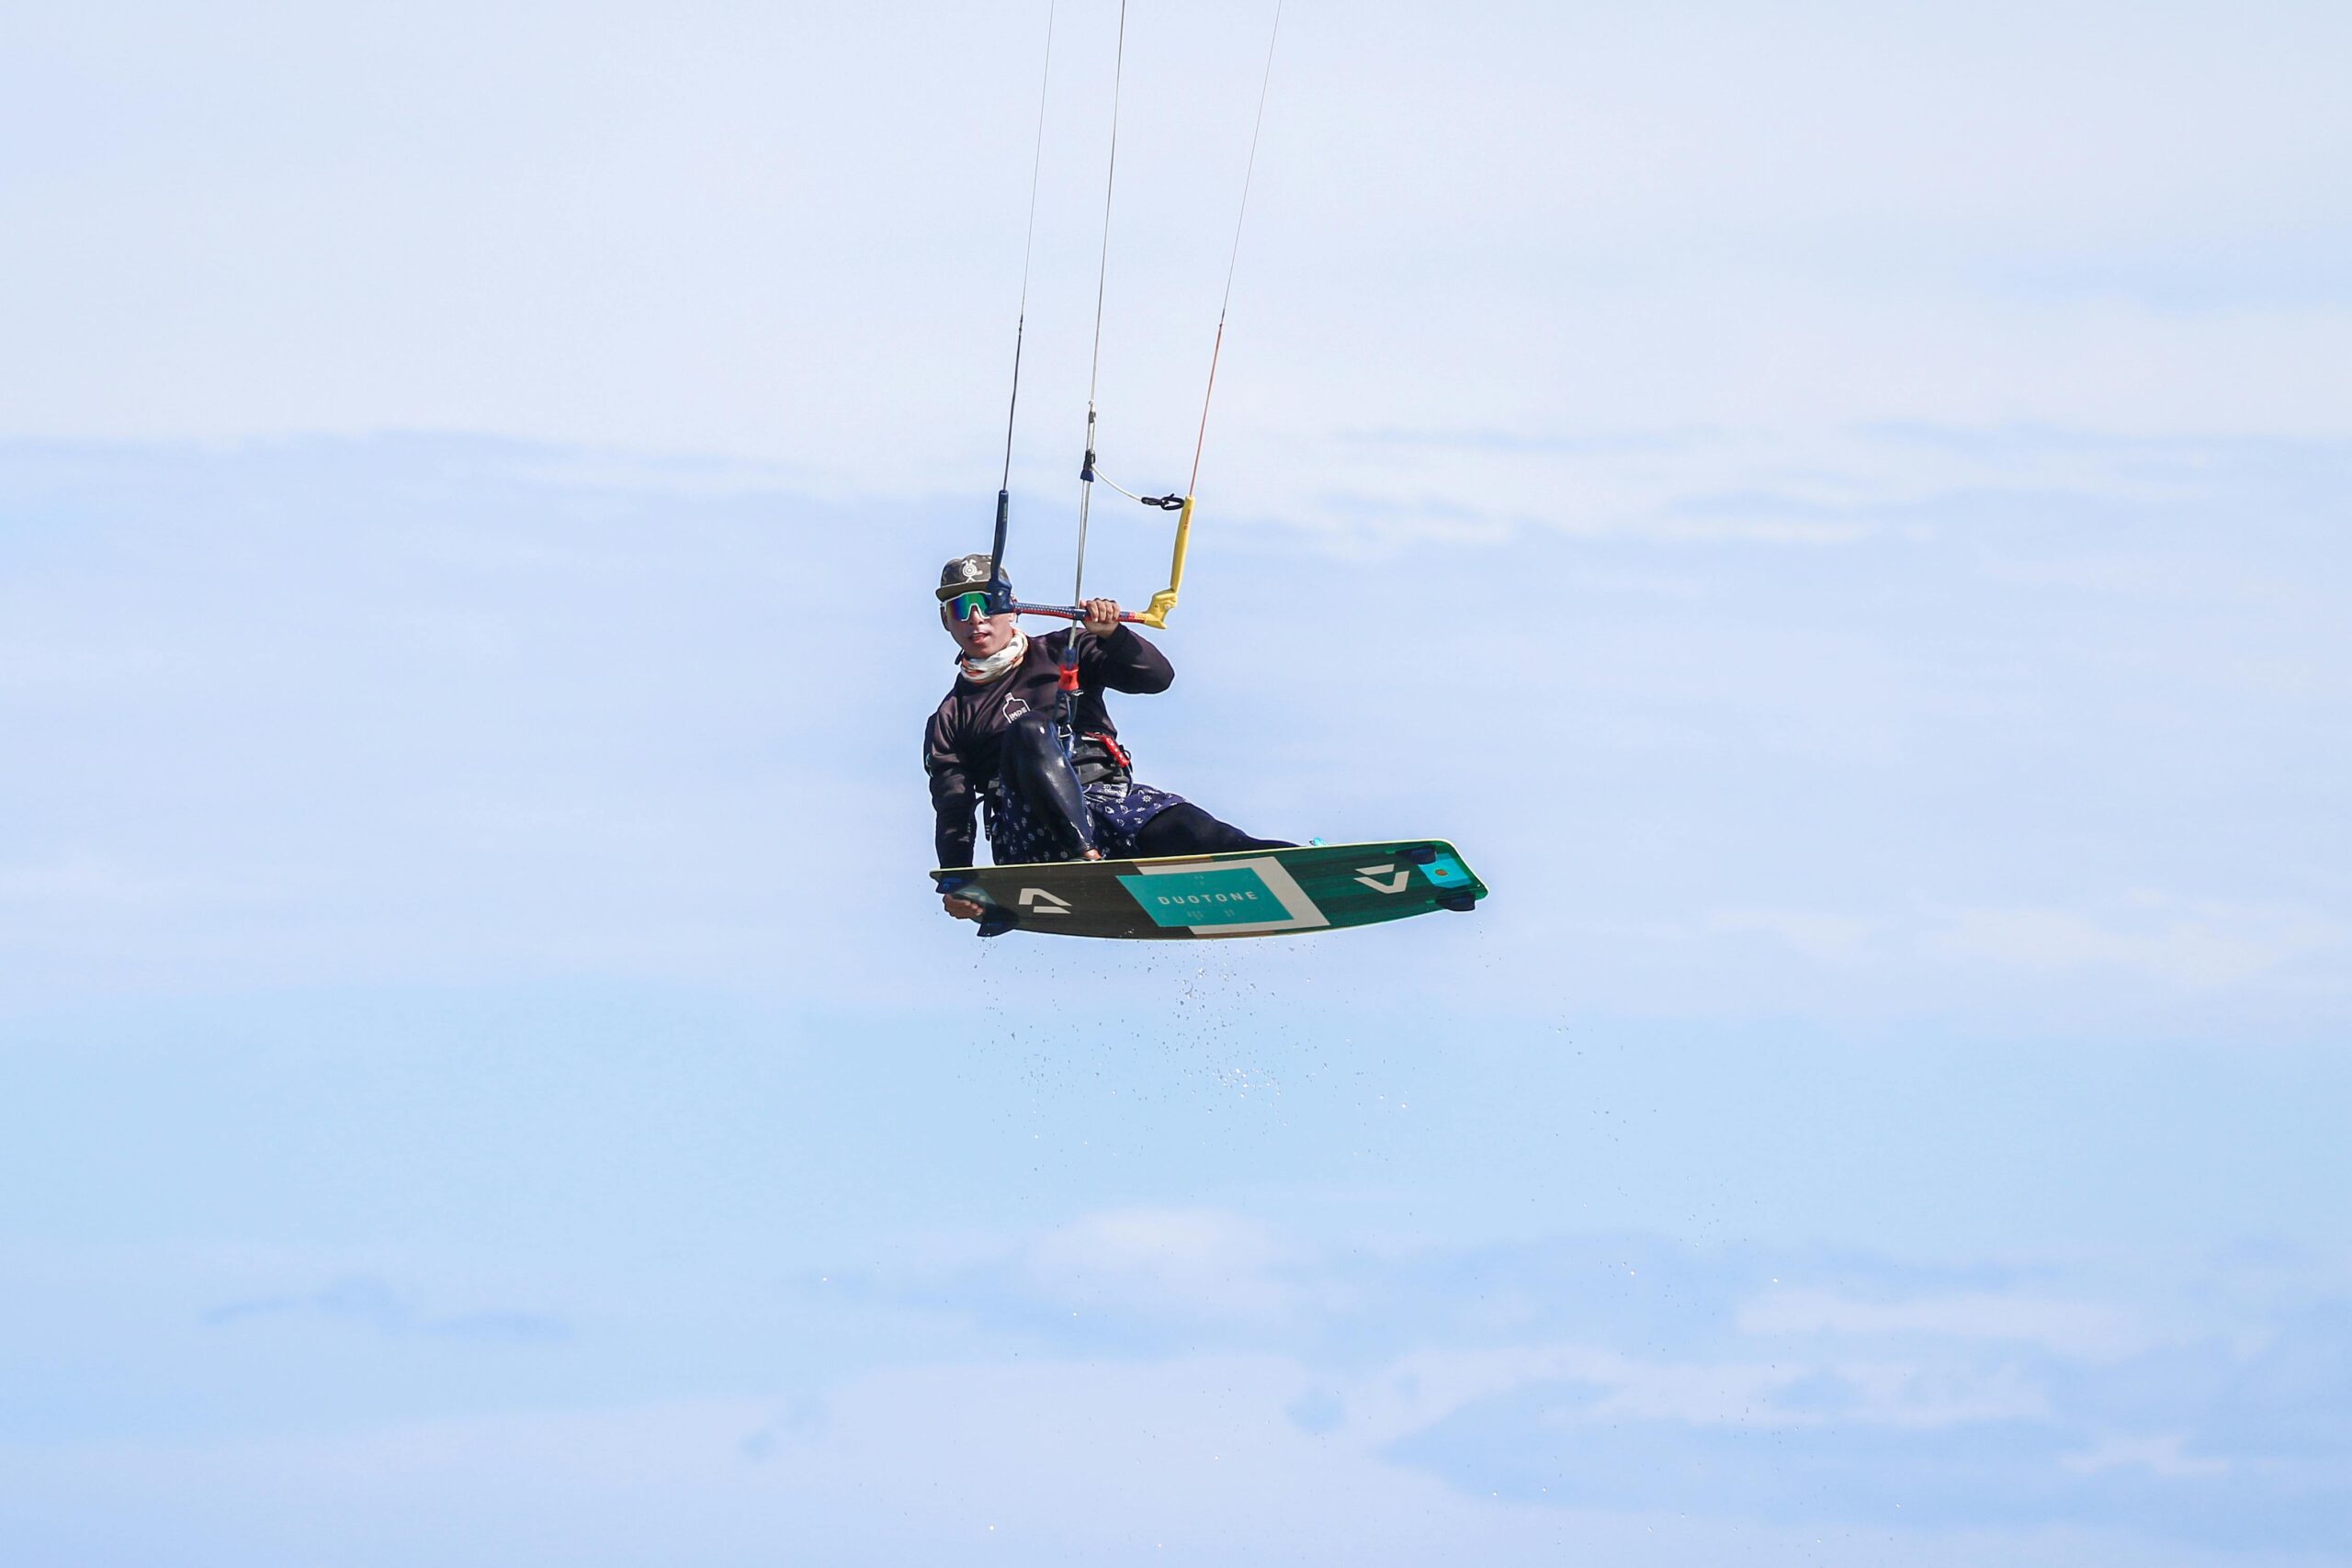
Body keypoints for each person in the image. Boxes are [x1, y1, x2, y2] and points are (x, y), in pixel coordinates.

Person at [924, 553, 1289, 922]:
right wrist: (958, 884)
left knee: (1192, 830)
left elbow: (1158, 678)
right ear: (946, 620)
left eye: (987, 603)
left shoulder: (1065, 649)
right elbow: (953, 810)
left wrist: (1115, 636)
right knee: (1030, 730)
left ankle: (1292, 865)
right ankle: (1086, 859)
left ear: (1013, 608)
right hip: (1030, 839)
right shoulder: (951, 716)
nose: (975, 618)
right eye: (960, 608)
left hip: (1105, 803)